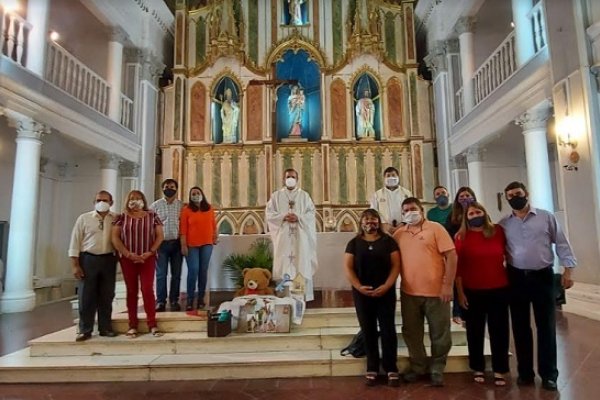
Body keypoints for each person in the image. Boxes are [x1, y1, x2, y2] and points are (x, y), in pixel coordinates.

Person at [499, 181, 576, 391]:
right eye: (510, 195)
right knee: (521, 326)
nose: (515, 197)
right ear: (506, 199)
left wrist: (568, 270)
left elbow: (561, 242)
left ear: (526, 194)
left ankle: (549, 374)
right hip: (516, 278)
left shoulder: (545, 217)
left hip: (542, 276)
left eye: (518, 193)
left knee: (546, 326)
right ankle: (525, 372)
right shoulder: (504, 223)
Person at [392, 197, 457, 387]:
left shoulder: (435, 228)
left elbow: (451, 256)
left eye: (413, 209)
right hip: (409, 292)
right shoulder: (399, 234)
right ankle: (418, 366)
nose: (409, 212)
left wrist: (448, 285)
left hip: (437, 292)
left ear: (421, 209)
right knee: (412, 332)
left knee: (440, 333)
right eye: (405, 210)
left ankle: (437, 367)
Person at [344, 209, 401, 387]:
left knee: (388, 329)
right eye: (367, 219)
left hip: (385, 292)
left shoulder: (388, 241)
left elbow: (396, 265)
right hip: (362, 294)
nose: (370, 222)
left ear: (379, 222)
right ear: (361, 223)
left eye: (374, 219)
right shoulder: (354, 243)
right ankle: (372, 367)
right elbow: (348, 267)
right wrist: (359, 287)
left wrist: (387, 285)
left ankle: (391, 367)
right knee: (368, 329)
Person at [455, 202, 509, 386]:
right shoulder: (461, 236)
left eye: (478, 211)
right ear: (466, 217)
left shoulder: (498, 231)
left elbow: (509, 255)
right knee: (474, 331)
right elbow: (458, 268)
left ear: (485, 213)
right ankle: (477, 367)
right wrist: (460, 293)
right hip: (472, 290)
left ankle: (500, 369)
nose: (475, 215)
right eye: (471, 213)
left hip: (498, 288)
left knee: (499, 331)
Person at [111, 190, 164, 338]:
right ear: (127, 201)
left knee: (147, 289)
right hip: (128, 259)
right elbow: (115, 238)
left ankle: (152, 323)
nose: (135, 201)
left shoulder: (152, 216)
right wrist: (128, 254)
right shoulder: (120, 217)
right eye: (132, 199)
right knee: (131, 290)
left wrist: (150, 252)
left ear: (143, 201)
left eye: (138, 198)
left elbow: (160, 236)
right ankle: (132, 324)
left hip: (148, 258)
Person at [68, 190, 118, 341]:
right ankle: (85, 329)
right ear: (94, 202)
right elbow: (75, 242)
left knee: (107, 295)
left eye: (105, 200)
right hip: (88, 259)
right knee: (86, 296)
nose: (101, 202)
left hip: (109, 259)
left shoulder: (116, 218)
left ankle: (105, 327)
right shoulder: (84, 218)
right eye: (98, 200)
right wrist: (75, 265)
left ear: (111, 203)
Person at [266, 168, 318, 301]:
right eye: (288, 176)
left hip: (300, 237)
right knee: (284, 263)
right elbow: (270, 214)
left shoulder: (304, 196)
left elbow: (311, 213)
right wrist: (284, 216)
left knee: (300, 262)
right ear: (283, 179)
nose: (290, 179)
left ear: (297, 179)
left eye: (293, 177)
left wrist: (299, 217)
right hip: (284, 237)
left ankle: (299, 297)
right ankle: (285, 296)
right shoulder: (276, 196)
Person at [180, 186, 217, 311]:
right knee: (193, 270)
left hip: (207, 243)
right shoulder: (186, 210)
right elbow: (183, 229)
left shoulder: (209, 208)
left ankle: (201, 298)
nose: (196, 195)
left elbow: (213, 224)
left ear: (202, 194)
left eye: (198, 193)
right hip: (191, 245)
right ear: (190, 197)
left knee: (203, 270)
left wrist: (214, 236)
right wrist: (183, 244)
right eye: (193, 193)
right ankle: (190, 298)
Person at [150, 179, 183, 312]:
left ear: (176, 189)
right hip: (161, 244)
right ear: (162, 188)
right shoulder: (155, 206)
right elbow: (150, 226)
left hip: (177, 244)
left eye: (172, 186)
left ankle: (174, 300)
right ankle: (161, 301)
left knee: (176, 274)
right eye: (167, 186)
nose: (169, 188)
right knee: (161, 274)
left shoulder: (181, 206)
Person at [444, 186, 476, 324]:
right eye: (461, 196)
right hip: (458, 253)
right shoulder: (452, 216)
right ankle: (457, 311)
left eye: (467, 195)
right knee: (459, 283)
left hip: (475, 253)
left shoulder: (478, 212)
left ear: (473, 197)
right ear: (457, 199)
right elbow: (447, 235)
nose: (464, 198)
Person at [369, 167, 412, 235]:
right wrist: (384, 224)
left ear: (398, 177)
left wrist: (402, 223)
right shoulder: (377, 194)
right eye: (388, 176)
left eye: (393, 175)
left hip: (404, 227)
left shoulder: (407, 193)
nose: (391, 177)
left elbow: (411, 210)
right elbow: (373, 211)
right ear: (384, 178)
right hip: (384, 229)